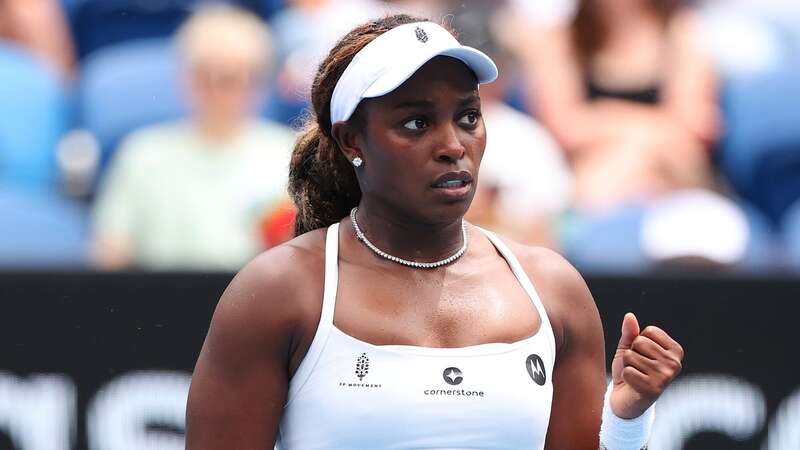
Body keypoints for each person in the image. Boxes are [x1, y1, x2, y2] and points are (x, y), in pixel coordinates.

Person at [186, 15, 684, 449]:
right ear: (351, 139)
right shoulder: (276, 292)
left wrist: (626, 419)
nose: (453, 145)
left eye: (468, 116)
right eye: (416, 122)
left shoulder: (554, 291)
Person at [90, 5, 296, 271]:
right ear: (187, 79)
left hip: (260, 302)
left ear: (260, 83)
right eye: (207, 76)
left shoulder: (288, 153)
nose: (222, 92)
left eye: (235, 78)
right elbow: (109, 253)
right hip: (161, 302)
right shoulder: (143, 154)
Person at [517, 0, 719, 212]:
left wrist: (603, 119)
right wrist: (654, 127)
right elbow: (562, 127)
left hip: (673, 171)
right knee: (619, 162)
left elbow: (696, 124)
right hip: (594, 172)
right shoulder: (560, 39)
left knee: (627, 160)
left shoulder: (682, 31)